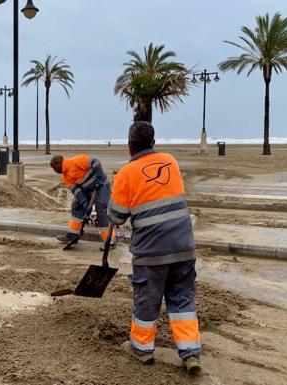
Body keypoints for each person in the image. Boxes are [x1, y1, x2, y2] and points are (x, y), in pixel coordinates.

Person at [107, 121, 201, 375]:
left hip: (151, 251)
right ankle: (190, 353)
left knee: (148, 300)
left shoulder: (127, 173)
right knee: (182, 300)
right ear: (153, 142)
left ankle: (142, 348)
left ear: (129, 145)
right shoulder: (170, 161)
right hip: (184, 245)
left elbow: (116, 216)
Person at [50, 154, 114, 245]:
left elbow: (95, 162)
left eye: (54, 168)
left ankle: (110, 241)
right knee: (76, 206)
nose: (54, 171)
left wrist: (99, 178)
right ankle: (73, 234)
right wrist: (85, 204)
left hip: (101, 187)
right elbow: (77, 192)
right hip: (87, 190)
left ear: (58, 164)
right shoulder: (65, 177)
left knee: (102, 212)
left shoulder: (76, 161)